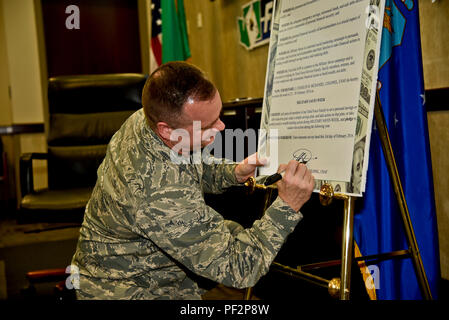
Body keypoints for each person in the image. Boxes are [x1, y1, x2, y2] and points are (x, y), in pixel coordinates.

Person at [71, 61, 314, 300]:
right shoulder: (159, 195)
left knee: (231, 231)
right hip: (127, 288)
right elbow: (241, 268)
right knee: (237, 247)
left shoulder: (149, 117)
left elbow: (188, 163)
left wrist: (233, 172)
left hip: (143, 257)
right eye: (207, 125)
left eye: (218, 115)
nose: (221, 127)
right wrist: (287, 205)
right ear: (166, 130)